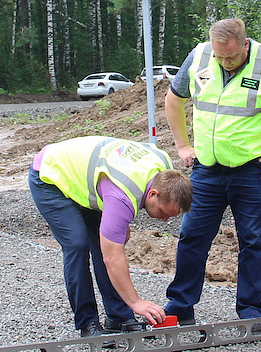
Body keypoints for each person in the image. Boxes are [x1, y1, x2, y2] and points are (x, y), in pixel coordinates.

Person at [163, 17, 261, 325]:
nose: (225, 62)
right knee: (192, 236)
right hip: (207, 169)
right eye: (220, 56)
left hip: (252, 171)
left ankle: (250, 312)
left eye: (231, 56)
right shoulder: (200, 56)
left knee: (253, 241)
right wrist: (183, 146)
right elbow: (173, 99)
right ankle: (179, 307)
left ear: (245, 44)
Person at [30, 136, 192, 337]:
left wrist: (119, 224)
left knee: (104, 243)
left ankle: (118, 317)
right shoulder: (121, 195)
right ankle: (87, 323)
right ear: (153, 194)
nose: (165, 220)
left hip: (91, 175)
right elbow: (112, 257)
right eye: (163, 212)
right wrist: (136, 302)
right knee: (78, 245)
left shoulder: (164, 168)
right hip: (51, 174)